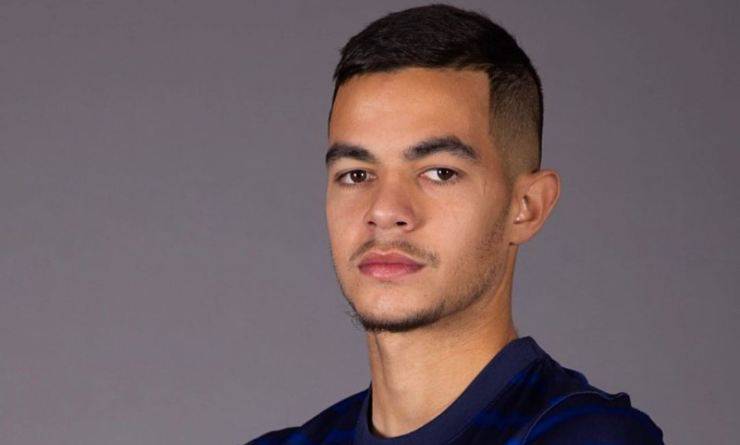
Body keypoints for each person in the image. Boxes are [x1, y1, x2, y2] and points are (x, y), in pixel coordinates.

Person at [246, 4, 664, 444]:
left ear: (526, 207)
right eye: (356, 175)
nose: (385, 210)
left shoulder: (585, 436)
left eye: (439, 173)